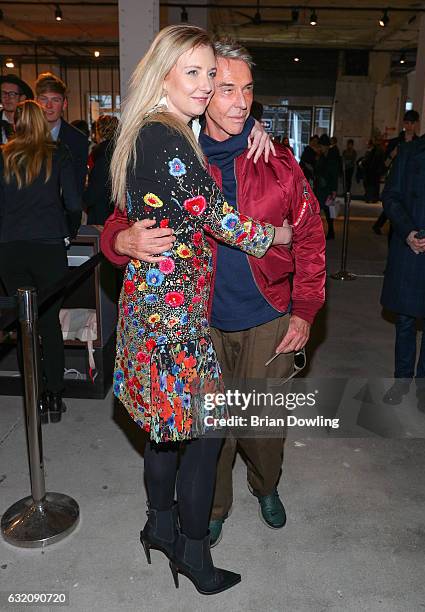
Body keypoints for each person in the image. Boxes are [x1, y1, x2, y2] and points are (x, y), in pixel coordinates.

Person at [101, 37, 325, 548]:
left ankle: (266, 487)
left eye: (246, 90)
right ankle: (213, 511)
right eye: (224, 87)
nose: (239, 102)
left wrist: (305, 311)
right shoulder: (175, 141)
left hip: (265, 313)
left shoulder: (277, 161)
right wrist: (121, 240)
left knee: (262, 424)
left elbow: (310, 236)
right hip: (197, 323)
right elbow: (120, 217)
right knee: (210, 435)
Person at [0, 101, 82, 423]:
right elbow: (73, 202)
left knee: (25, 325)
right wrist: (69, 231)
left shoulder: (3, 156)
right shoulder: (57, 153)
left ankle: (33, 396)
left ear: (17, 123)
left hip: (9, 249)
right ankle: (54, 397)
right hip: (48, 247)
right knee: (48, 323)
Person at [381, 85, 425, 414]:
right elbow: (391, 197)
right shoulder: (409, 152)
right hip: (410, 247)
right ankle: (401, 380)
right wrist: (407, 233)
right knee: (405, 322)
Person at [35, 72, 88, 195]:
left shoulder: (78, 140)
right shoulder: (23, 138)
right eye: (44, 99)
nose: (49, 105)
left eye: (55, 100)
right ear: (36, 102)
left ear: (64, 104)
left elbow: (77, 186)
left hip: (63, 211)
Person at [373, 110, 420, 235]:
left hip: (411, 185)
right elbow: (384, 166)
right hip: (395, 183)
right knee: (394, 216)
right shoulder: (395, 142)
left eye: (412, 123)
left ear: (416, 124)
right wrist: (392, 155)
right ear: (404, 124)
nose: (409, 126)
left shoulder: (420, 144)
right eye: (407, 123)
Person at [84, 115, 119, 224]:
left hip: (102, 213)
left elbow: (96, 189)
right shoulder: (120, 151)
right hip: (116, 210)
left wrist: (82, 201)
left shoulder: (102, 154)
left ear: (98, 131)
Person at [314, 134, 339, 240]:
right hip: (320, 187)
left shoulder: (332, 157)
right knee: (319, 210)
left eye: (321, 146)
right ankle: (323, 231)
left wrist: (334, 190)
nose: (320, 148)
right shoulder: (322, 156)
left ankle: (330, 231)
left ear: (326, 146)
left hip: (327, 188)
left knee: (327, 211)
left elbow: (334, 175)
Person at [0, 74, 33, 143]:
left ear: (22, 98)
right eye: (3, 93)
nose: (7, 98)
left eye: (12, 94)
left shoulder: (31, 124)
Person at [360, 138, 385, 203]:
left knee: (370, 185)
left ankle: (369, 198)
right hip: (376, 170)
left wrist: (363, 163)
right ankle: (374, 198)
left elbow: (370, 161)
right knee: (375, 185)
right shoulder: (380, 150)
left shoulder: (374, 151)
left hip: (372, 170)